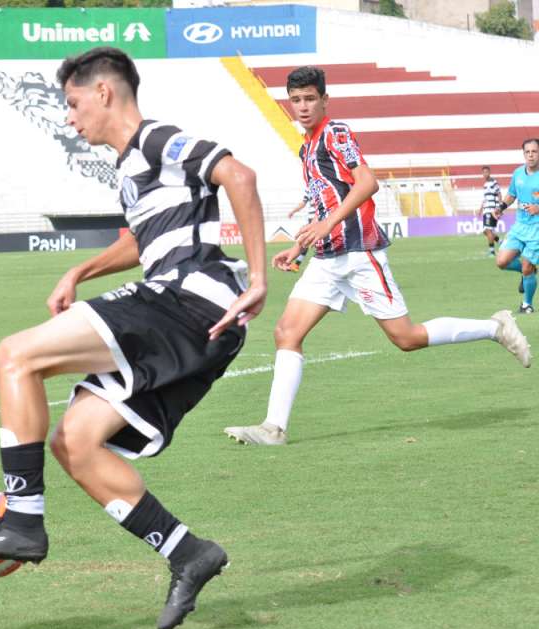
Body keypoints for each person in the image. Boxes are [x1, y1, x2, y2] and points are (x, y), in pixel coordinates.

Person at [0, 47, 269, 629]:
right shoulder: (129, 168)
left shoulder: (156, 139)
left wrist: (260, 277)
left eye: (72, 103)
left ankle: (24, 518)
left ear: (104, 93)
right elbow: (145, 242)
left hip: (190, 300)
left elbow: (239, 175)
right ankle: (188, 554)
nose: (69, 117)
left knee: (16, 355)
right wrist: (80, 271)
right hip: (196, 320)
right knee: (75, 442)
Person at [223, 67, 531, 447]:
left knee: (406, 338)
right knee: (286, 332)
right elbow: (325, 201)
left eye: (310, 99)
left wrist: (327, 225)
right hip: (326, 257)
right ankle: (274, 428)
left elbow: (368, 183)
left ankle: (495, 327)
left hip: (359, 254)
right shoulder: (306, 148)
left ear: (324, 100)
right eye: (296, 99)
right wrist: (301, 244)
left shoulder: (335, 133)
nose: (303, 106)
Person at [495, 140, 539, 314]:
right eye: (527, 152)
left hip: (537, 229)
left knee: (528, 266)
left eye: (534, 151)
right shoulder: (518, 173)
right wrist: (501, 207)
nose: (531, 155)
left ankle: (527, 304)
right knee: (501, 262)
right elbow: (511, 195)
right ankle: (527, 272)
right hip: (520, 226)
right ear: (523, 154)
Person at [477, 165, 502, 256]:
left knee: (488, 230)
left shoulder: (493, 182)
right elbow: (485, 198)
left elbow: (499, 194)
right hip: (485, 209)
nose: (485, 174)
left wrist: (499, 207)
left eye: (486, 172)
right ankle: (501, 242)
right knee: (486, 231)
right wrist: (480, 209)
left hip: (491, 210)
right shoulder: (485, 184)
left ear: (489, 172)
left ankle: (491, 251)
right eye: (483, 172)